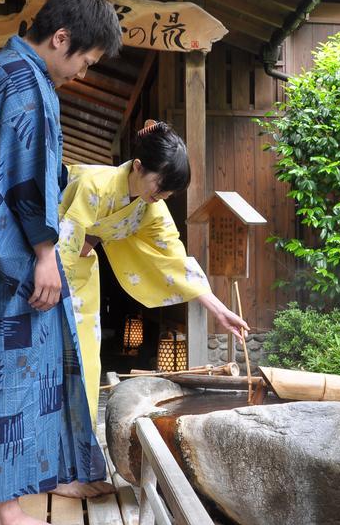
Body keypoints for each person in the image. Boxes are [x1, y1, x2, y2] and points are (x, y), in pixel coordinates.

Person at [0, 0, 121, 525]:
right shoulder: (24, 80)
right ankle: (6, 517)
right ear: (61, 38)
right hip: (8, 256)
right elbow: (19, 174)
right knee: (7, 378)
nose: (81, 75)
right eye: (84, 62)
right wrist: (45, 253)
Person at [58, 119, 250, 420]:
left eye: (167, 194)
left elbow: (174, 256)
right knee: (48, 353)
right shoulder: (93, 184)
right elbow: (64, 241)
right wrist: (52, 276)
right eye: (159, 187)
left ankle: (80, 441)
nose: (161, 197)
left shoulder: (150, 207)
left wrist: (217, 308)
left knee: (84, 358)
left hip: (81, 273)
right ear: (137, 167)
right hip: (49, 270)